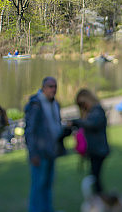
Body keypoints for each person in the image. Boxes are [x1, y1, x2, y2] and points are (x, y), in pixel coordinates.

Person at [25, 76, 68, 212]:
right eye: (50, 86)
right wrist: (33, 153)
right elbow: (30, 131)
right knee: (38, 185)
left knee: (48, 184)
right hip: (40, 152)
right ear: (43, 88)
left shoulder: (55, 104)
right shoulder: (36, 105)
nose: (53, 89)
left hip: (52, 150)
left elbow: (55, 126)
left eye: (55, 86)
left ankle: (48, 209)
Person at [70, 88, 110, 195]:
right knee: (94, 178)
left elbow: (92, 124)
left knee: (95, 178)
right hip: (94, 150)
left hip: (99, 150)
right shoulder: (92, 112)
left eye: (82, 104)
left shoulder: (97, 110)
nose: (82, 107)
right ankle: (100, 199)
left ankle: (100, 200)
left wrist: (76, 122)